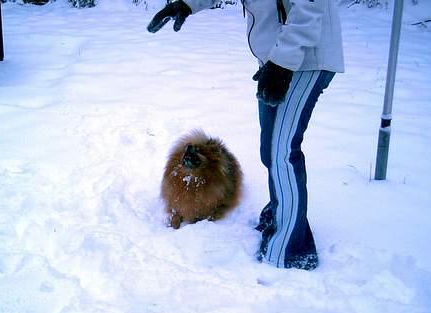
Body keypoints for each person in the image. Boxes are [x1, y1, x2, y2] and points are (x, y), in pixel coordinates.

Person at [147, 0, 344, 270]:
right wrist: (187, 4)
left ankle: (289, 251)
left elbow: (310, 7)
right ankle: (280, 215)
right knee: (270, 150)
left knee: (282, 151)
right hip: (277, 59)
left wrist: (282, 63)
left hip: (304, 58)